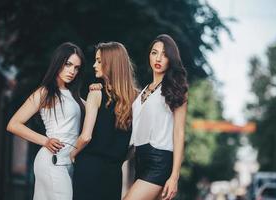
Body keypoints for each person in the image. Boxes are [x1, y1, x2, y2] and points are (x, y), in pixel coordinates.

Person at [7, 42, 86, 200]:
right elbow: (13, 124)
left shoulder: (76, 97)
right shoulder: (45, 92)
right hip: (52, 159)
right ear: (58, 62)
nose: (72, 71)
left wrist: (96, 91)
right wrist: (45, 140)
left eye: (77, 68)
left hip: (68, 162)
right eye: (68, 64)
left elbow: (95, 112)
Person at [124, 34, 188, 200]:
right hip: (139, 158)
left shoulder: (175, 89)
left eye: (165, 54)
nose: (158, 58)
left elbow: (179, 132)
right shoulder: (144, 91)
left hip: (159, 160)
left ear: (171, 59)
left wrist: (174, 176)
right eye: (154, 52)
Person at [71, 41, 138, 200]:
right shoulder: (135, 100)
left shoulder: (96, 94)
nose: (94, 65)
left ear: (111, 64)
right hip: (114, 174)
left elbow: (86, 137)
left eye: (99, 61)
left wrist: (71, 154)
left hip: (88, 169)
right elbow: (134, 146)